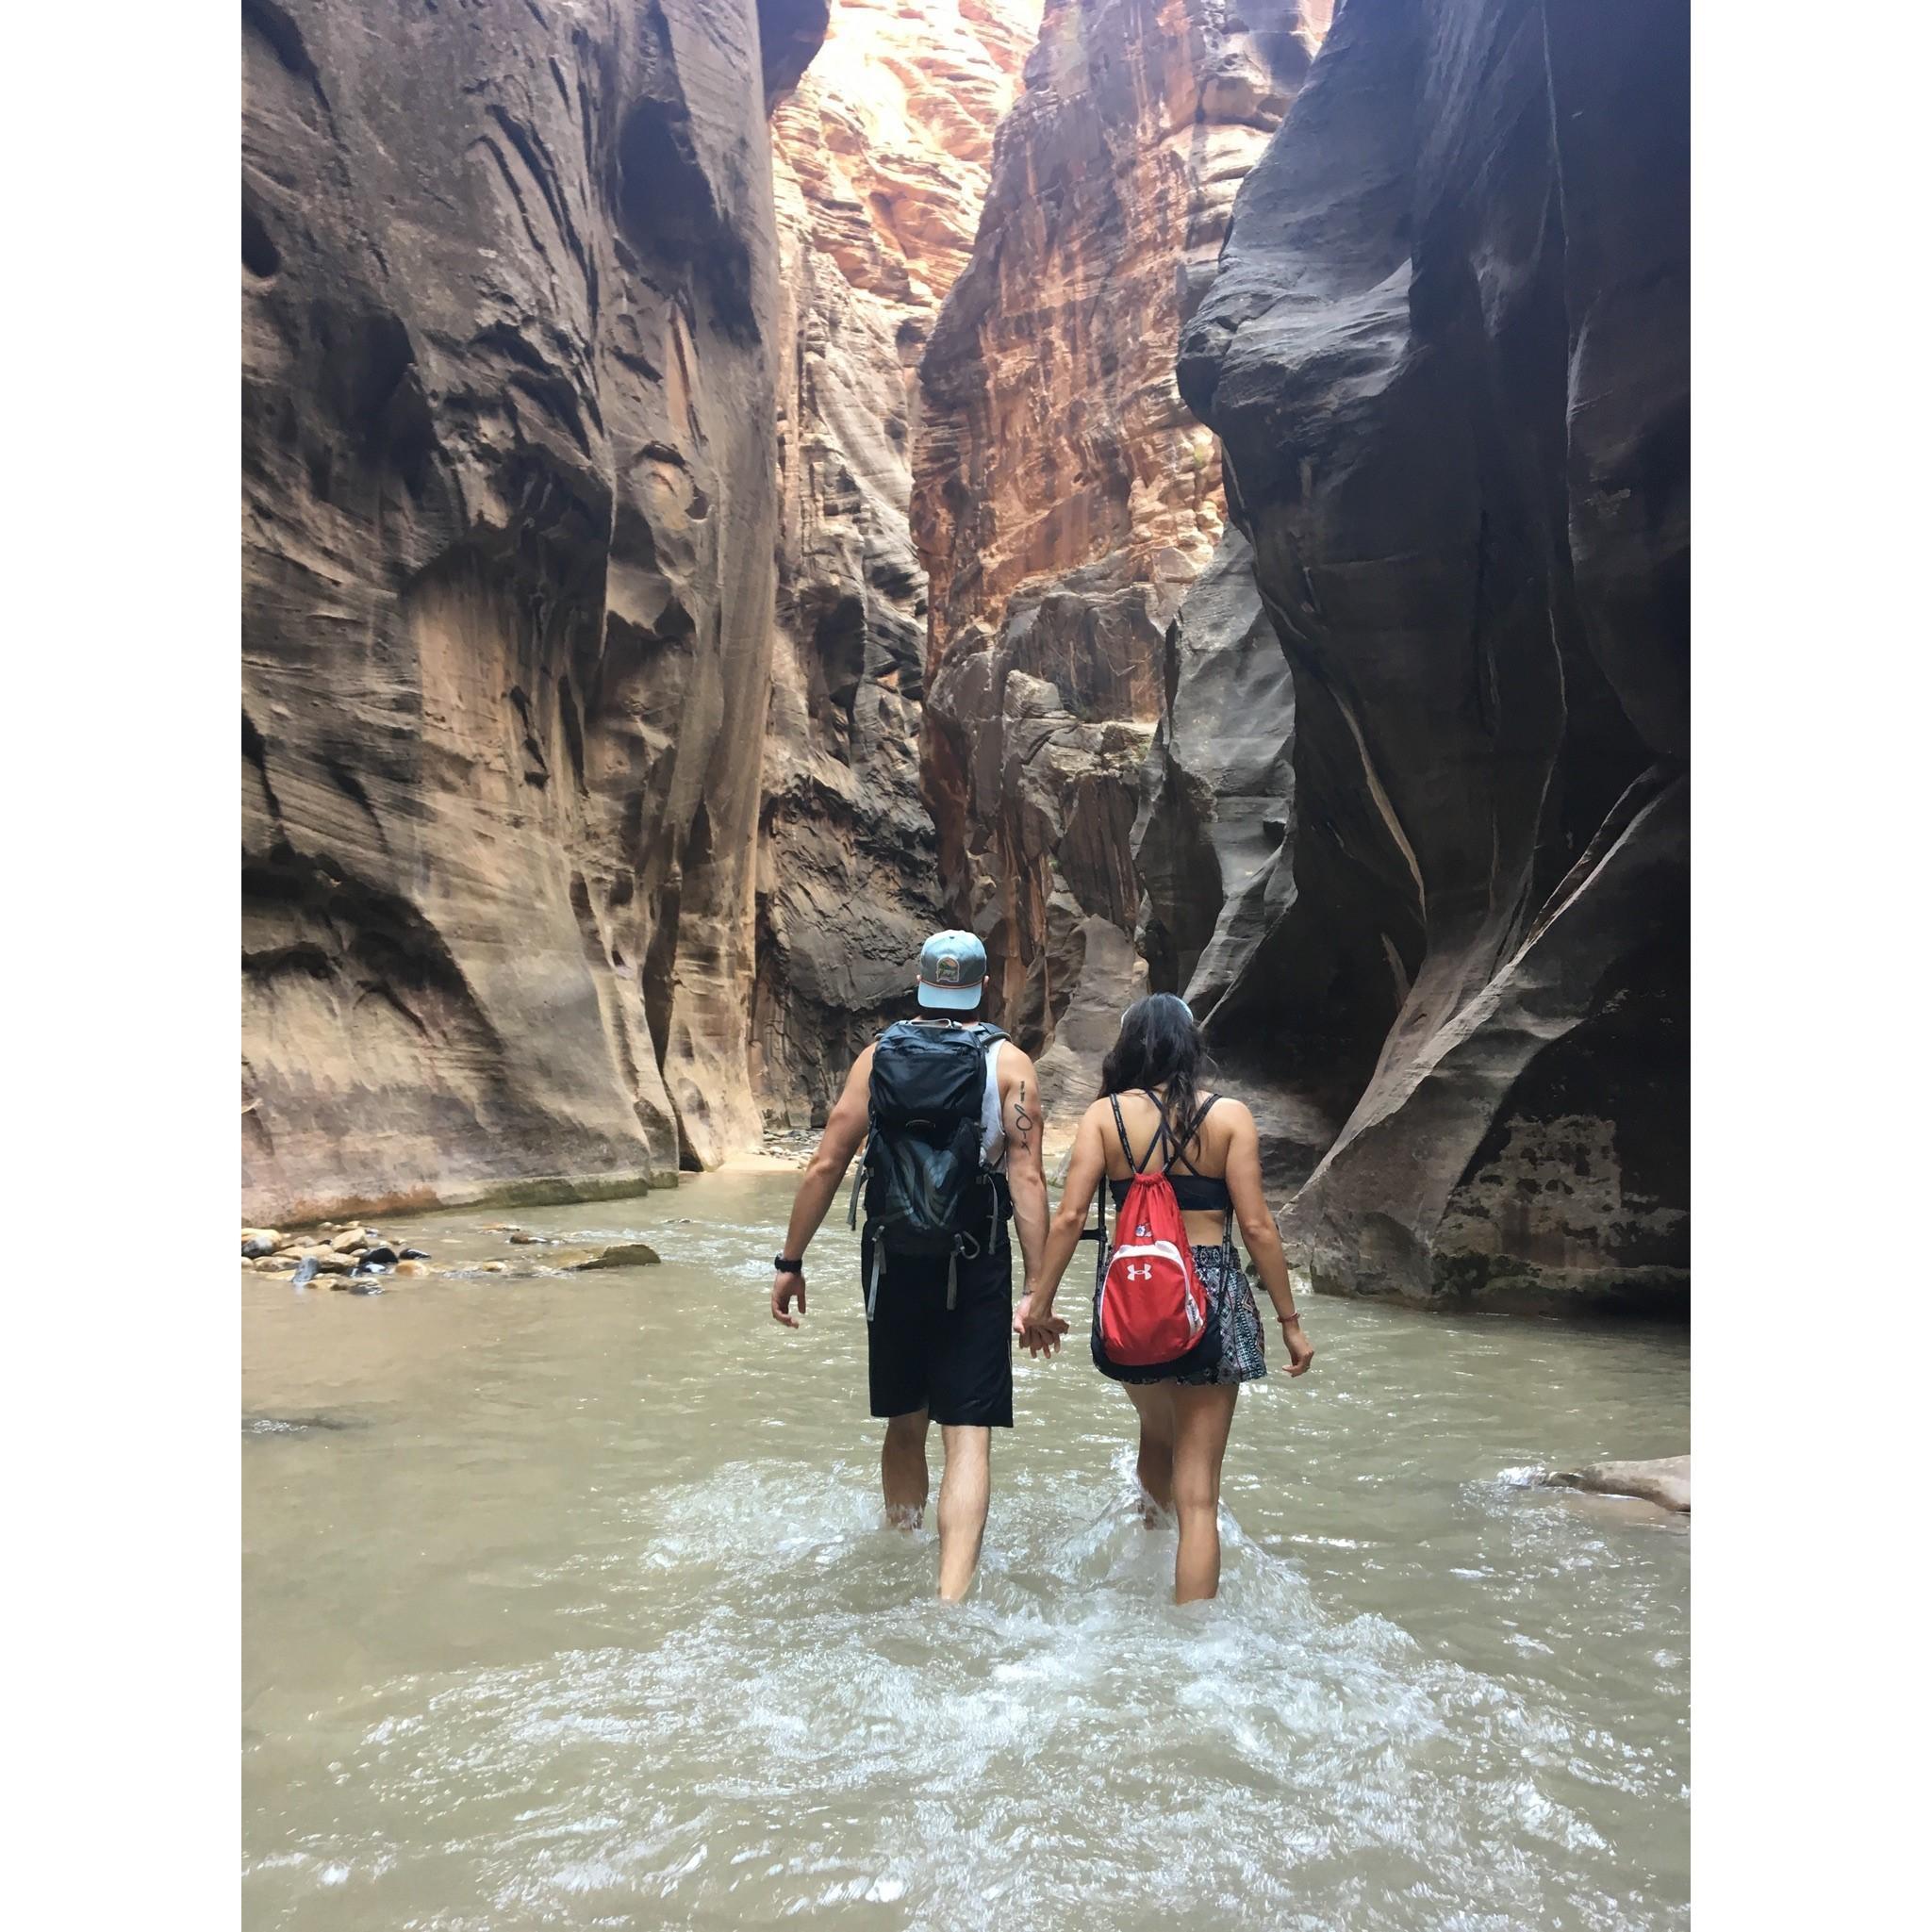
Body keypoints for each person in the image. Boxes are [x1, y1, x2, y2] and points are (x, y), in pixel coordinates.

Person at [770, 930, 1049, 1600]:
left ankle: (901, 1547)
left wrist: (791, 1258)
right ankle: (949, 1599)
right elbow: (1028, 1180)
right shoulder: (1010, 1065)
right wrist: (1037, 1288)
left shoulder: (877, 1056)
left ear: (920, 984)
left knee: (905, 1420)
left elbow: (827, 1161)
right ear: (983, 988)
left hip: (891, 1259)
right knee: (968, 1436)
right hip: (974, 1257)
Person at [1014, 992, 1313, 1603]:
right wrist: (1289, 1321)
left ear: (1129, 1046)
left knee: (1156, 1434)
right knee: (1197, 1491)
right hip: (1210, 1293)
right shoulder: (1229, 1117)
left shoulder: (1104, 1117)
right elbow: (1256, 1227)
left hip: (1133, 1295)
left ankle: (1146, 1564)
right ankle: (1191, 1639)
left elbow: (1069, 1216)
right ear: (1188, 1045)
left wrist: (1038, 1303)